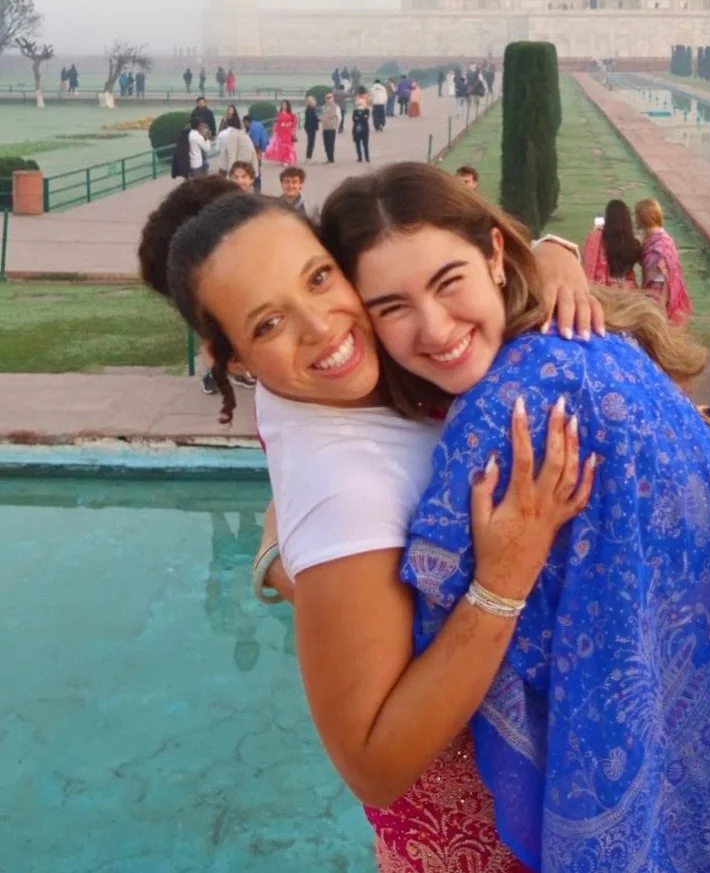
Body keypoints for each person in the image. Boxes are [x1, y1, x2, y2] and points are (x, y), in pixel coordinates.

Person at [317, 162, 710, 873]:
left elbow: (415, 665)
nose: (434, 328)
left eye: (447, 282)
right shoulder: (588, 344)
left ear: (496, 254)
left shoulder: (504, 408)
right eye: (392, 306)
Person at [136, 176, 600, 868]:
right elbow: (374, 766)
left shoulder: (331, 389)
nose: (321, 326)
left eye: (319, 277)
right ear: (231, 358)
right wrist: (504, 575)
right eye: (267, 322)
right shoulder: (344, 493)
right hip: (478, 841)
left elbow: (434, 241)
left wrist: (555, 255)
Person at [633, 197, 693, 323]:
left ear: (643, 217)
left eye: (636, 214)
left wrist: (659, 306)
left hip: (657, 296)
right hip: (654, 293)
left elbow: (663, 279)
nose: (635, 218)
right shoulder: (654, 239)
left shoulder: (659, 245)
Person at [582, 199, 640, 289]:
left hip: (603, 292)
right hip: (628, 292)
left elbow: (589, 268)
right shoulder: (634, 242)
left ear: (608, 217)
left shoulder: (596, 236)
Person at [266, 100, 297, 165]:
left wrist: (289, 125)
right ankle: (283, 160)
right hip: (281, 132)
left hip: (288, 132)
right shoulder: (279, 114)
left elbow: (294, 123)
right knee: (281, 146)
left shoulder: (291, 114)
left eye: (285, 105)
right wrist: (275, 131)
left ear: (288, 106)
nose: (284, 106)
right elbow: (277, 123)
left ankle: (287, 159)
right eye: (282, 105)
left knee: (287, 145)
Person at [243, 113, 268, 191]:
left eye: (244, 123)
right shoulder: (259, 124)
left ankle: (256, 191)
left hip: (255, 152)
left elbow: (255, 143)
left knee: (254, 171)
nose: (244, 125)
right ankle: (257, 190)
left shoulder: (253, 128)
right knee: (257, 170)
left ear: (246, 122)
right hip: (261, 149)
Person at [186, 113, 213, 180]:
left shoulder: (189, 134)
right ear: (198, 126)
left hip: (188, 162)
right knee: (198, 182)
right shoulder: (197, 136)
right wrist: (206, 137)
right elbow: (207, 148)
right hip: (196, 164)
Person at [321, 91, 340, 164]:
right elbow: (322, 116)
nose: (328, 99)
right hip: (325, 128)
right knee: (326, 144)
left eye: (330, 97)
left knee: (330, 143)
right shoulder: (324, 107)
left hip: (332, 127)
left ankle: (331, 159)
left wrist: (337, 126)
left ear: (333, 98)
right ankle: (328, 158)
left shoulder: (336, 107)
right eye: (327, 98)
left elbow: (339, 117)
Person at [352, 91, 371, 164]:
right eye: (359, 104)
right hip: (356, 130)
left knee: (365, 144)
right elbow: (354, 119)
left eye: (361, 104)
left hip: (365, 130)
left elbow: (365, 119)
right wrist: (361, 117)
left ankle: (367, 157)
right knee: (357, 144)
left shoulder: (367, 111)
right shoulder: (355, 111)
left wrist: (359, 117)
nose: (360, 105)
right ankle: (359, 157)